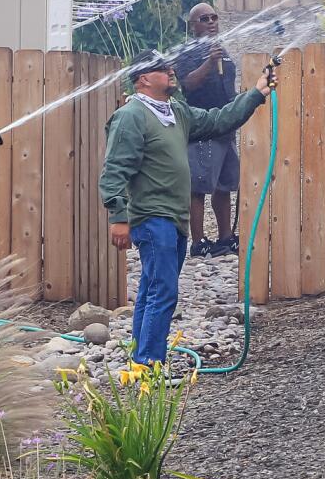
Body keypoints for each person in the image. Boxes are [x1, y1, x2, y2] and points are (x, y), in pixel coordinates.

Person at [99, 50, 275, 367]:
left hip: (174, 218)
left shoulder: (176, 111)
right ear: (143, 79)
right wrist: (118, 218)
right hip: (153, 217)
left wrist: (256, 93)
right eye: (161, 68)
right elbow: (114, 171)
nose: (170, 70)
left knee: (153, 287)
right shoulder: (131, 116)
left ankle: (140, 358)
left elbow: (219, 120)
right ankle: (150, 361)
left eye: (168, 65)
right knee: (164, 290)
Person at [173, 3, 240, 257]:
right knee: (199, 186)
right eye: (204, 18)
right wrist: (209, 63)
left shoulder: (222, 50)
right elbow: (188, 85)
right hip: (203, 128)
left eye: (214, 17)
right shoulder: (187, 53)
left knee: (224, 185)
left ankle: (225, 238)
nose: (211, 22)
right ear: (193, 25)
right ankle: (199, 242)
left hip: (226, 128)